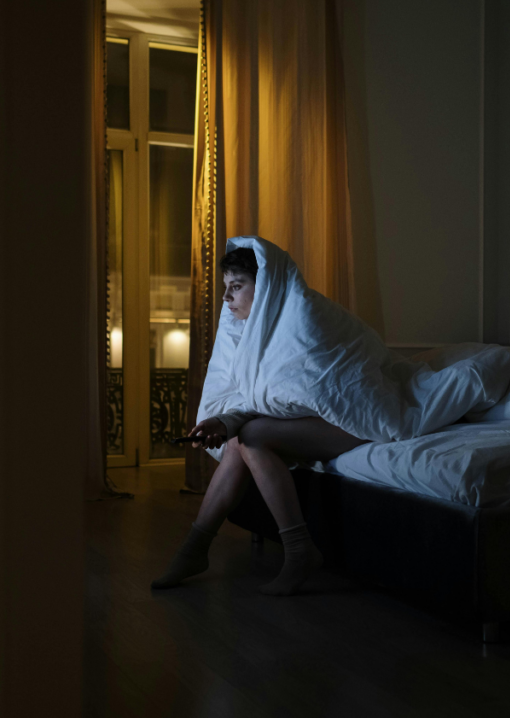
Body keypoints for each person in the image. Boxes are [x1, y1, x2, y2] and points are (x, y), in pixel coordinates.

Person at [151, 248, 368, 596]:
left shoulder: (305, 318)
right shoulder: (256, 330)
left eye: (236, 286)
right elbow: (269, 397)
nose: (226, 297)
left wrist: (231, 422)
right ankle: (195, 548)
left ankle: (296, 550)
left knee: (251, 435)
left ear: (265, 286)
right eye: (226, 286)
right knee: (241, 439)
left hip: (354, 420)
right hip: (315, 420)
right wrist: (224, 422)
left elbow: (308, 392)